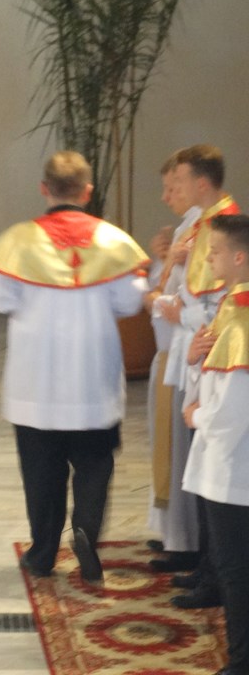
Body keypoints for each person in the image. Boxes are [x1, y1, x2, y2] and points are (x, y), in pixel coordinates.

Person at [0, 151, 149, 581]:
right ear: (87, 191)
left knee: (41, 472)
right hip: (92, 380)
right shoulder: (112, 241)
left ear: (44, 189)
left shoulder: (20, 240)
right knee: (94, 463)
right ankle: (87, 527)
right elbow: (131, 302)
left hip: (36, 382)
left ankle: (42, 553)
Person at [156, 144, 238, 609]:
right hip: (199, 357)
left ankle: (215, 576)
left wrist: (179, 313)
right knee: (200, 470)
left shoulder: (223, 226)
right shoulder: (204, 223)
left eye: (180, 181)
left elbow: (217, 305)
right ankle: (208, 567)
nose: (174, 191)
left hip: (213, 360)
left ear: (202, 183)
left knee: (212, 474)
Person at [181, 213, 249, 675]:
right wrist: (193, 361)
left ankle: (242, 660)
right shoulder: (231, 309)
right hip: (230, 462)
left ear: (239, 258)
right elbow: (214, 377)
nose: (208, 259)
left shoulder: (241, 320)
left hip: (234, 466)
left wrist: (196, 416)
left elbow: (232, 410)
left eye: (216, 251)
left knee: (235, 568)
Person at [143, 154, 201, 571]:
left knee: (182, 453)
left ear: (197, 182)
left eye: (173, 186)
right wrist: (163, 262)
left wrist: (157, 299)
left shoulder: (207, 229)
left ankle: (186, 542)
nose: (166, 197)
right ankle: (173, 534)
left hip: (187, 354)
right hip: (169, 352)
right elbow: (165, 289)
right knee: (168, 448)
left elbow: (191, 301)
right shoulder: (187, 228)